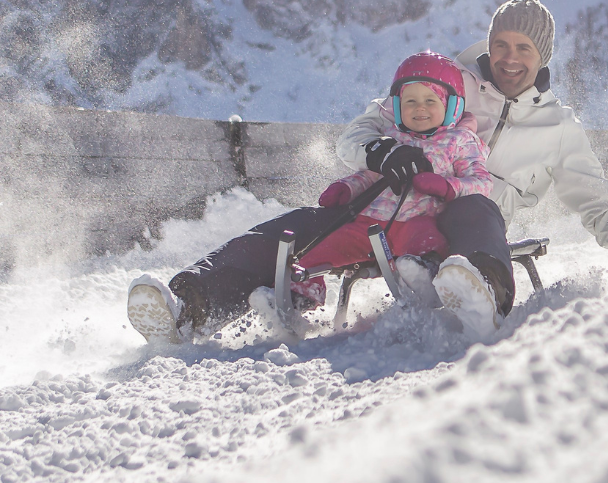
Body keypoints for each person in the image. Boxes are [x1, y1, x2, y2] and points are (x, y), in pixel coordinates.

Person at [337, 0, 608, 336]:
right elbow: (359, 132)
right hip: (398, 212)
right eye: (501, 45)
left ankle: (484, 292)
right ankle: (289, 278)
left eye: (524, 48)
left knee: (475, 206)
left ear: (543, 55)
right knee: (331, 213)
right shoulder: (448, 82)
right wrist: (382, 152)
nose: (510, 58)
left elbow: (599, 207)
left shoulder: (559, 129)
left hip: (474, 232)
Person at [126, 52, 497, 343]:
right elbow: (359, 156)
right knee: (309, 243)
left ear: (451, 107)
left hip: (443, 223)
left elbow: (481, 180)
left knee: (424, 242)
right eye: (410, 101)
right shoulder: (391, 130)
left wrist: (448, 187)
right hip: (369, 220)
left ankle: (436, 281)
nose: (419, 109)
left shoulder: (462, 140)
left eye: (430, 102)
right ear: (396, 105)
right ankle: (221, 305)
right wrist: (352, 183)